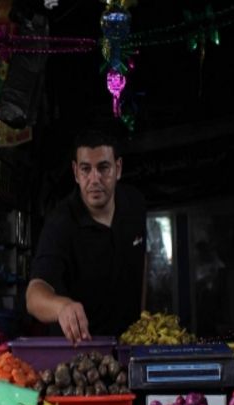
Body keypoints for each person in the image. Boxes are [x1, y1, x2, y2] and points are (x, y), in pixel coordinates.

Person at [26, 129, 146, 343]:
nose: (94, 179)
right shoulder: (60, 223)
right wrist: (62, 306)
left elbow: (142, 261)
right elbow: (34, 296)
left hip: (131, 343)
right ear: (75, 172)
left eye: (103, 168)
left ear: (118, 168)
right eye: (85, 169)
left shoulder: (135, 204)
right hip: (80, 353)